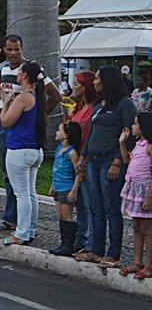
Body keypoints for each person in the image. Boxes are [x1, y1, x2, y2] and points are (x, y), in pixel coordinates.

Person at [0, 34, 62, 232]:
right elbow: (2, 97)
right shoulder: (3, 68)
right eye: (9, 49)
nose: (13, 53)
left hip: (20, 129)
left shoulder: (30, 70)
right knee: (9, 176)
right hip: (7, 125)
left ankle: (14, 220)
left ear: (22, 49)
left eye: (17, 49)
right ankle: (19, 221)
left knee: (21, 183)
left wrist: (40, 115)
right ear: (4, 49)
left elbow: (55, 94)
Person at [77, 66, 138, 267]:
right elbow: (92, 133)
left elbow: (129, 137)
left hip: (110, 160)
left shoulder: (125, 105)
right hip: (93, 160)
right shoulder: (101, 106)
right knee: (96, 206)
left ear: (107, 81)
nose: (94, 82)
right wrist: (83, 157)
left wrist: (117, 162)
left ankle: (113, 253)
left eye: (97, 79)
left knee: (111, 207)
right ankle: (96, 249)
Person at [0, 61, 46, 246]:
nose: (16, 73)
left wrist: (5, 103)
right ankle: (30, 229)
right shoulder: (37, 95)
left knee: (22, 194)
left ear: (24, 76)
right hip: (34, 149)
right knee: (30, 192)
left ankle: (22, 232)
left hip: (19, 149)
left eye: (19, 71)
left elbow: (6, 122)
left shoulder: (23, 97)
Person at [66, 70, 99, 255]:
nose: (74, 86)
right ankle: (81, 238)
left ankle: (91, 242)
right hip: (74, 156)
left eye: (77, 83)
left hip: (86, 158)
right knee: (79, 203)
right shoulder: (78, 107)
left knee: (89, 201)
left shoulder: (94, 109)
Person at [118, 113, 152, 278]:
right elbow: (126, 160)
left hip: (146, 192)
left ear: (144, 127)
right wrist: (122, 143)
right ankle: (137, 262)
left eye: (136, 124)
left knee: (147, 229)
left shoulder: (149, 147)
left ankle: (149, 265)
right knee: (137, 227)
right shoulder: (138, 144)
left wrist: (149, 197)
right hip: (135, 190)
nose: (132, 127)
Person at [47, 122, 85, 255]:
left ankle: (68, 244)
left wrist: (74, 190)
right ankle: (64, 242)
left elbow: (78, 173)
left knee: (67, 215)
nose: (56, 132)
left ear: (67, 135)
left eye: (59, 130)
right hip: (58, 186)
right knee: (61, 215)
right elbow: (56, 169)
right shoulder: (59, 149)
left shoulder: (72, 153)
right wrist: (53, 185)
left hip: (67, 188)